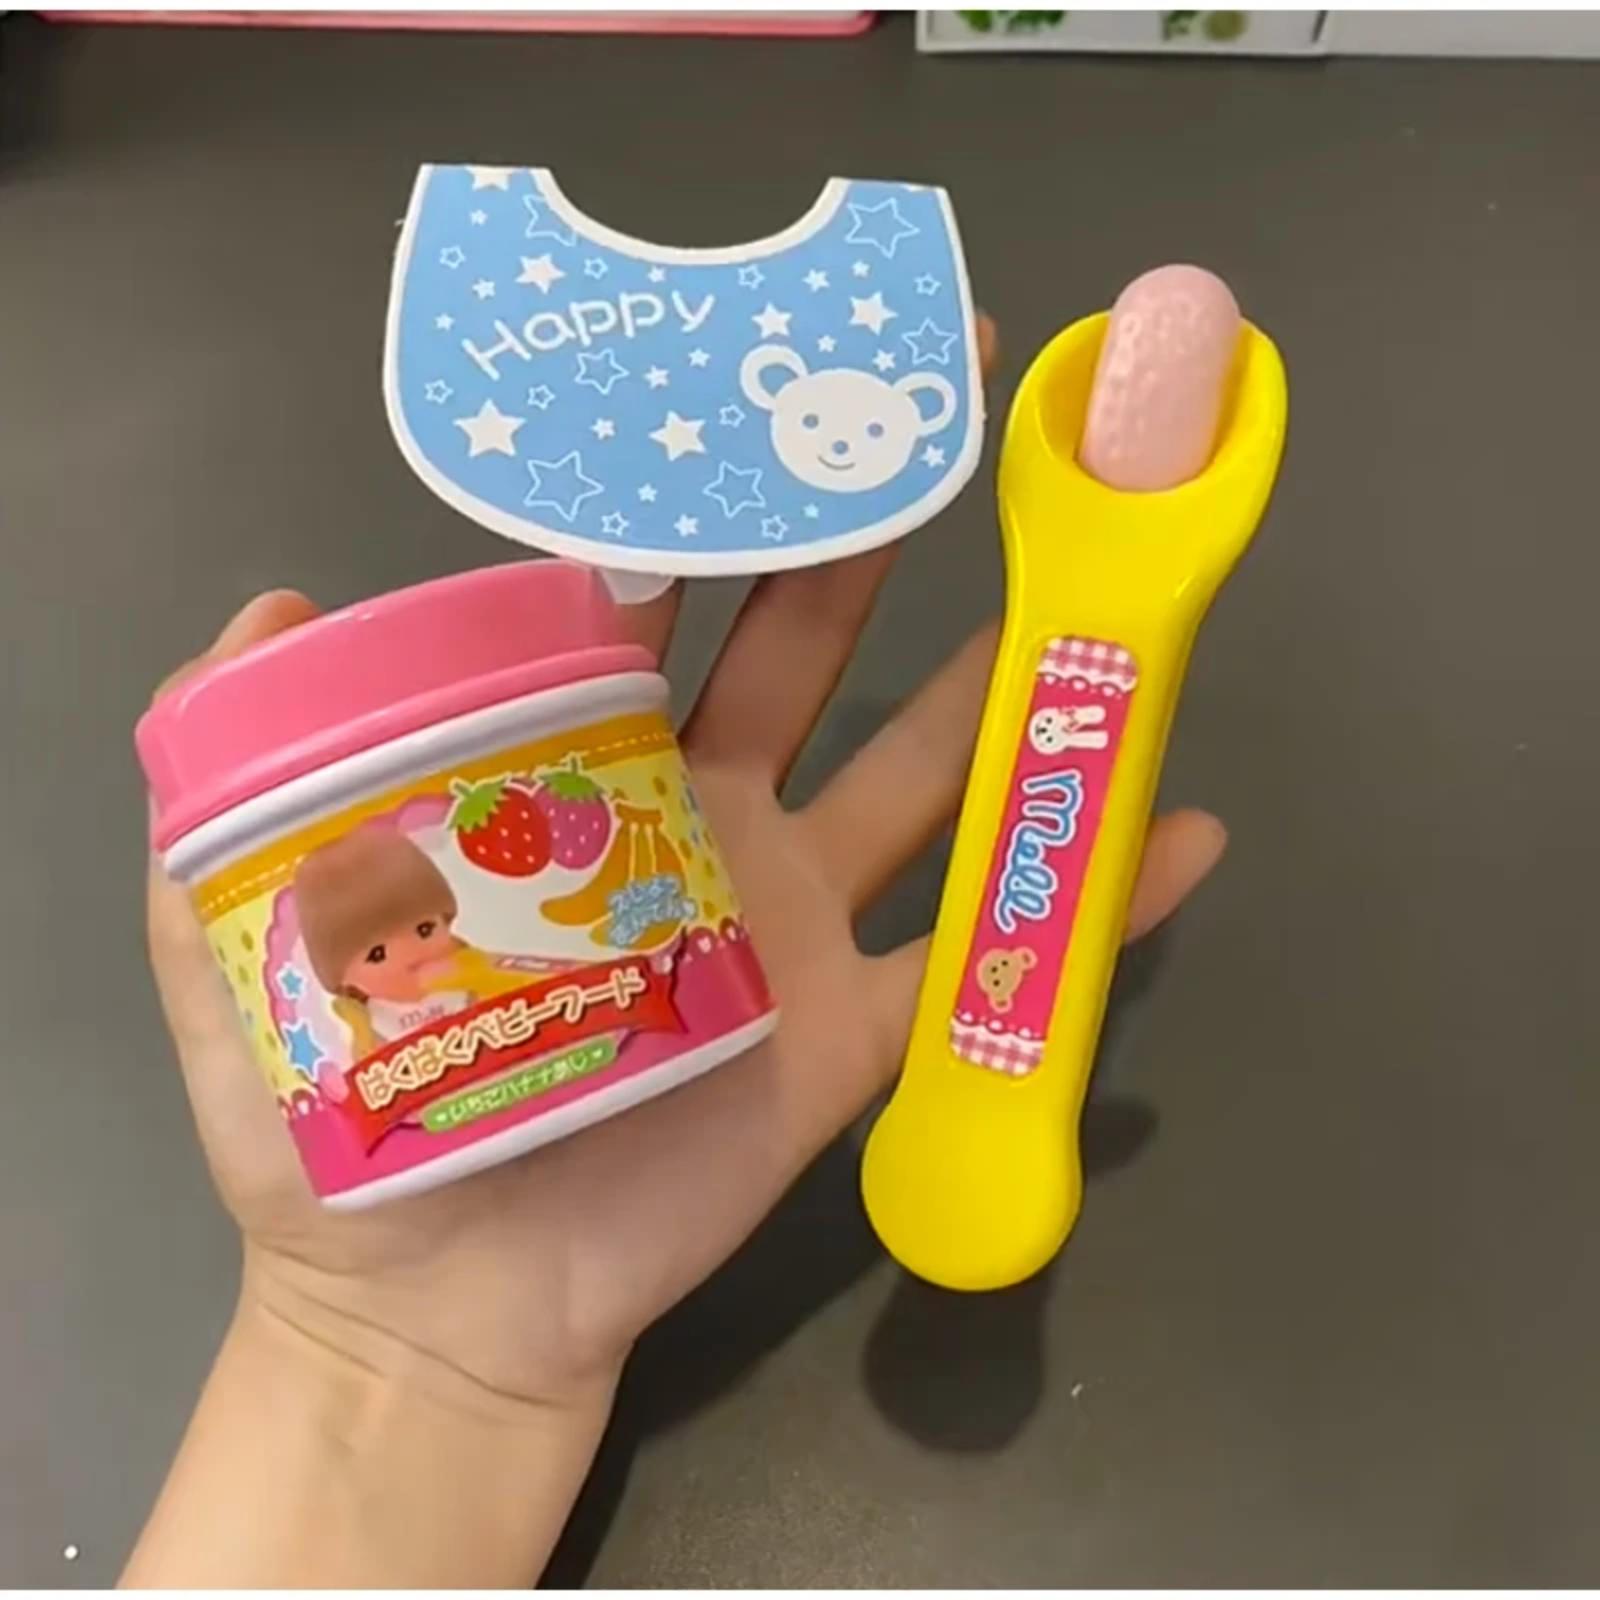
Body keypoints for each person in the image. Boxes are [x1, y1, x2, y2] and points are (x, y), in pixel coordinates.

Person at [126, 322, 1227, 1587]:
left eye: (428, 924)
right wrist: (388, 1338)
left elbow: (506, 970)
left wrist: (405, 1365)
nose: (421, 949)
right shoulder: (371, 1033)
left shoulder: (476, 970)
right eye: (388, 945)